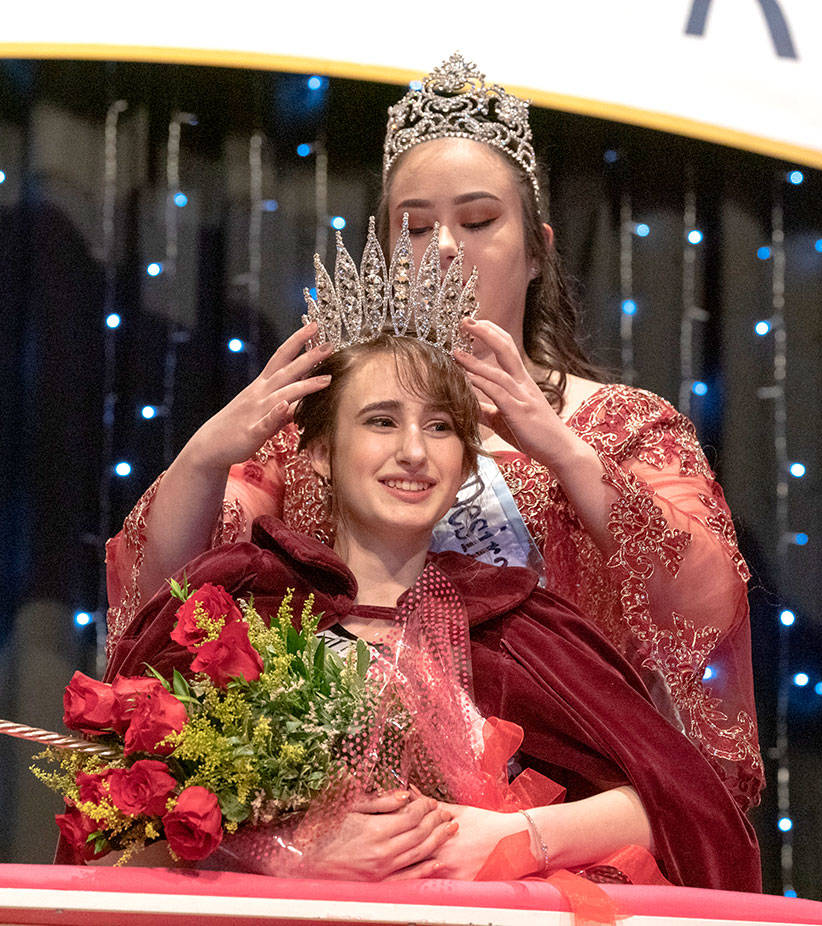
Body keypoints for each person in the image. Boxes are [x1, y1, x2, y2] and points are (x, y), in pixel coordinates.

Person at [106, 53, 761, 812]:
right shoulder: (311, 423)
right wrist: (203, 456)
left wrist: (557, 446)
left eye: (480, 221)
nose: (447, 248)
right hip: (340, 807)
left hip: (556, 806)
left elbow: (708, 608)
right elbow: (167, 600)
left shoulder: (619, 427)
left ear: (539, 246)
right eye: (416, 227)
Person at [105, 328, 760, 890]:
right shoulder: (240, 612)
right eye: (382, 420)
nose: (415, 452)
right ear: (322, 454)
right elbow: (114, 838)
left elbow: (687, 807)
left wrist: (516, 835)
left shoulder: (521, 628)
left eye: (441, 426)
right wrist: (283, 853)